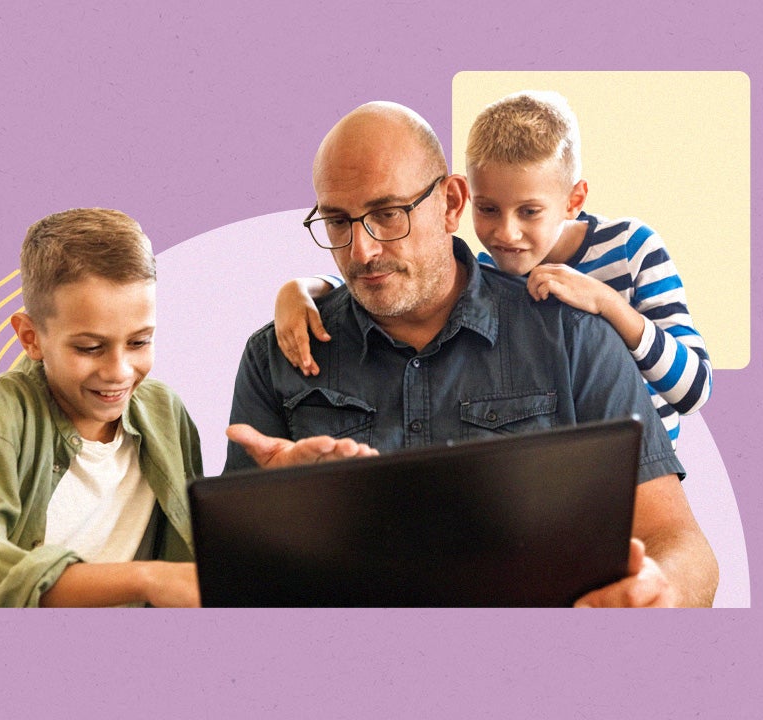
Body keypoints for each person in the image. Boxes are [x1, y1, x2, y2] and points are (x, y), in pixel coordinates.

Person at [226, 102, 718, 607]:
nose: (361, 252)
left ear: (452, 203)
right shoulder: (277, 356)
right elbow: (235, 581)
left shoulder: (575, 337)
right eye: (337, 222)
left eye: (387, 215)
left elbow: (680, 543)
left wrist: (661, 591)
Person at [272, 91, 711, 445]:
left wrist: (610, 305)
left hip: (646, 463)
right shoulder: (491, 269)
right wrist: (311, 288)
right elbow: (384, 274)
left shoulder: (632, 249)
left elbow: (694, 390)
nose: (506, 233)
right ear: (463, 201)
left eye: (530, 211)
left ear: (574, 201)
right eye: (488, 209)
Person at [0, 208, 202, 607]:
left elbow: (203, 541)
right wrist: (145, 578)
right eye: (90, 348)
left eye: (139, 342)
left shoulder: (165, 410)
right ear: (30, 337)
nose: (119, 371)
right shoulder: (2, 413)